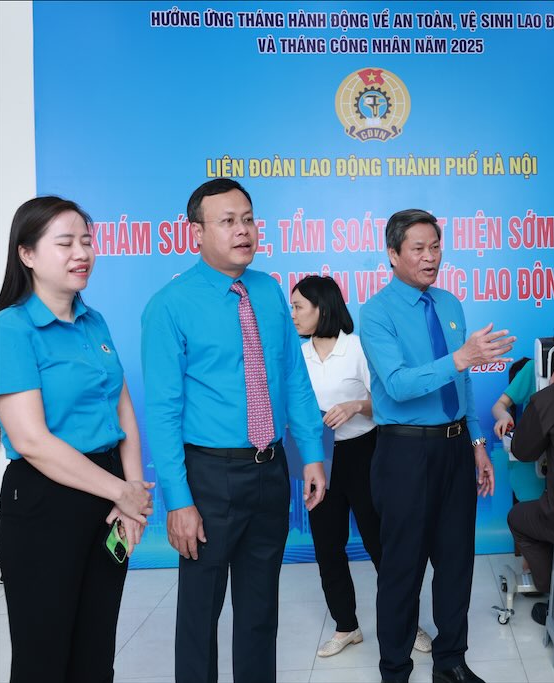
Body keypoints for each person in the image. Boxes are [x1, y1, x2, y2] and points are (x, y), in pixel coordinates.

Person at [141, 178, 326, 683]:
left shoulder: (268, 290)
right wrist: (178, 501)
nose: (243, 230)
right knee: (200, 614)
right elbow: (162, 411)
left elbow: (293, 376)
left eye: (247, 219)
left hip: (270, 468)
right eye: (227, 221)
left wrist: (311, 453)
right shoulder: (170, 305)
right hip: (209, 476)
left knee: (260, 610)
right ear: (196, 232)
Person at [0, 196, 154, 682]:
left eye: (86, 241)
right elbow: (32, 440)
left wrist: (132, 496)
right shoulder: (9, 329)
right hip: (45, 500)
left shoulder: (93, 320)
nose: (81, 253)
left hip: (108, 495)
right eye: (65, 243)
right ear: (26, 254)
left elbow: (123, 410)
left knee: (95, 653)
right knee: (43, 660)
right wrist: (123, 492)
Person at [359, 208, 514, 683]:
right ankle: (395, 670)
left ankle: (451, 662)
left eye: (436, 247)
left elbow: (462, 385)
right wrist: (461, 356)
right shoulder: (376, 312)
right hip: (405, 452)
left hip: (455, 448)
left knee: (456, 562)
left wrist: (477, 443)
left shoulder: (449, 304)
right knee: (402, 568)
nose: (431, 257)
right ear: (393, 254)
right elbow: (399, 385)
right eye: (418, 249)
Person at [289, 275, 432, 658]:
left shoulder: (356, 347)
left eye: (299, 306)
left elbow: (386, 401)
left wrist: (355, 406)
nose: (293, 314)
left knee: (381, 543)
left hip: (363, 453)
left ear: (322, 308)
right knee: (327, 546)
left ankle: (407, 623)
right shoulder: (297, 355)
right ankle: (346, 626)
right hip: (317, 457)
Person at [506, 319, 554, 624]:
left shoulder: (551, 399)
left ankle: (552, 590)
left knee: (518, 517)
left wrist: (547, 396)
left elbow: (523, 450)